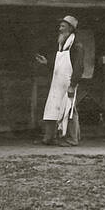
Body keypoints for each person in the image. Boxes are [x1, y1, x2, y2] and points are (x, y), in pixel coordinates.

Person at [34, 15, 85, 146]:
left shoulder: (76, 45)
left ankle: (72, 139)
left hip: (68, 82)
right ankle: (49, 137)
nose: (60, 28)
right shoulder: (62, 44)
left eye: (62, 26)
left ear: (70, 28)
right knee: (52, 109)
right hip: (57, 83)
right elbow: (59, 65)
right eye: (60, 26)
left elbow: (79, 66)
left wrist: (73, 84)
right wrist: (47, 63)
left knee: (69, 109)